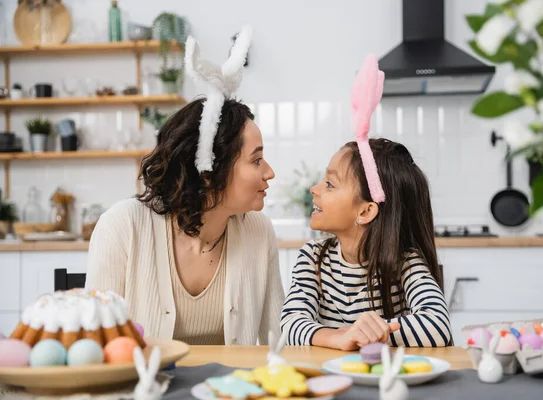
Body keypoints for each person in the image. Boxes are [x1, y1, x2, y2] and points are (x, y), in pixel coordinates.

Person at [86, 27, 284, 346]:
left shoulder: (259, 232)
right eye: (256, 160)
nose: (270, 172)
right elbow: (94, 344)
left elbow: (280, 340)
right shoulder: (122, 227)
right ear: (209, 171)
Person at [280, 55, 451, 350]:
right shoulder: (313, 258)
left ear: (366, 210)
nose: (315, 189)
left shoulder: (404, 262)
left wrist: (375, 332)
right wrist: (341, 337)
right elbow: (291, 324)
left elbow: (437, 325)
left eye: (330, 184)